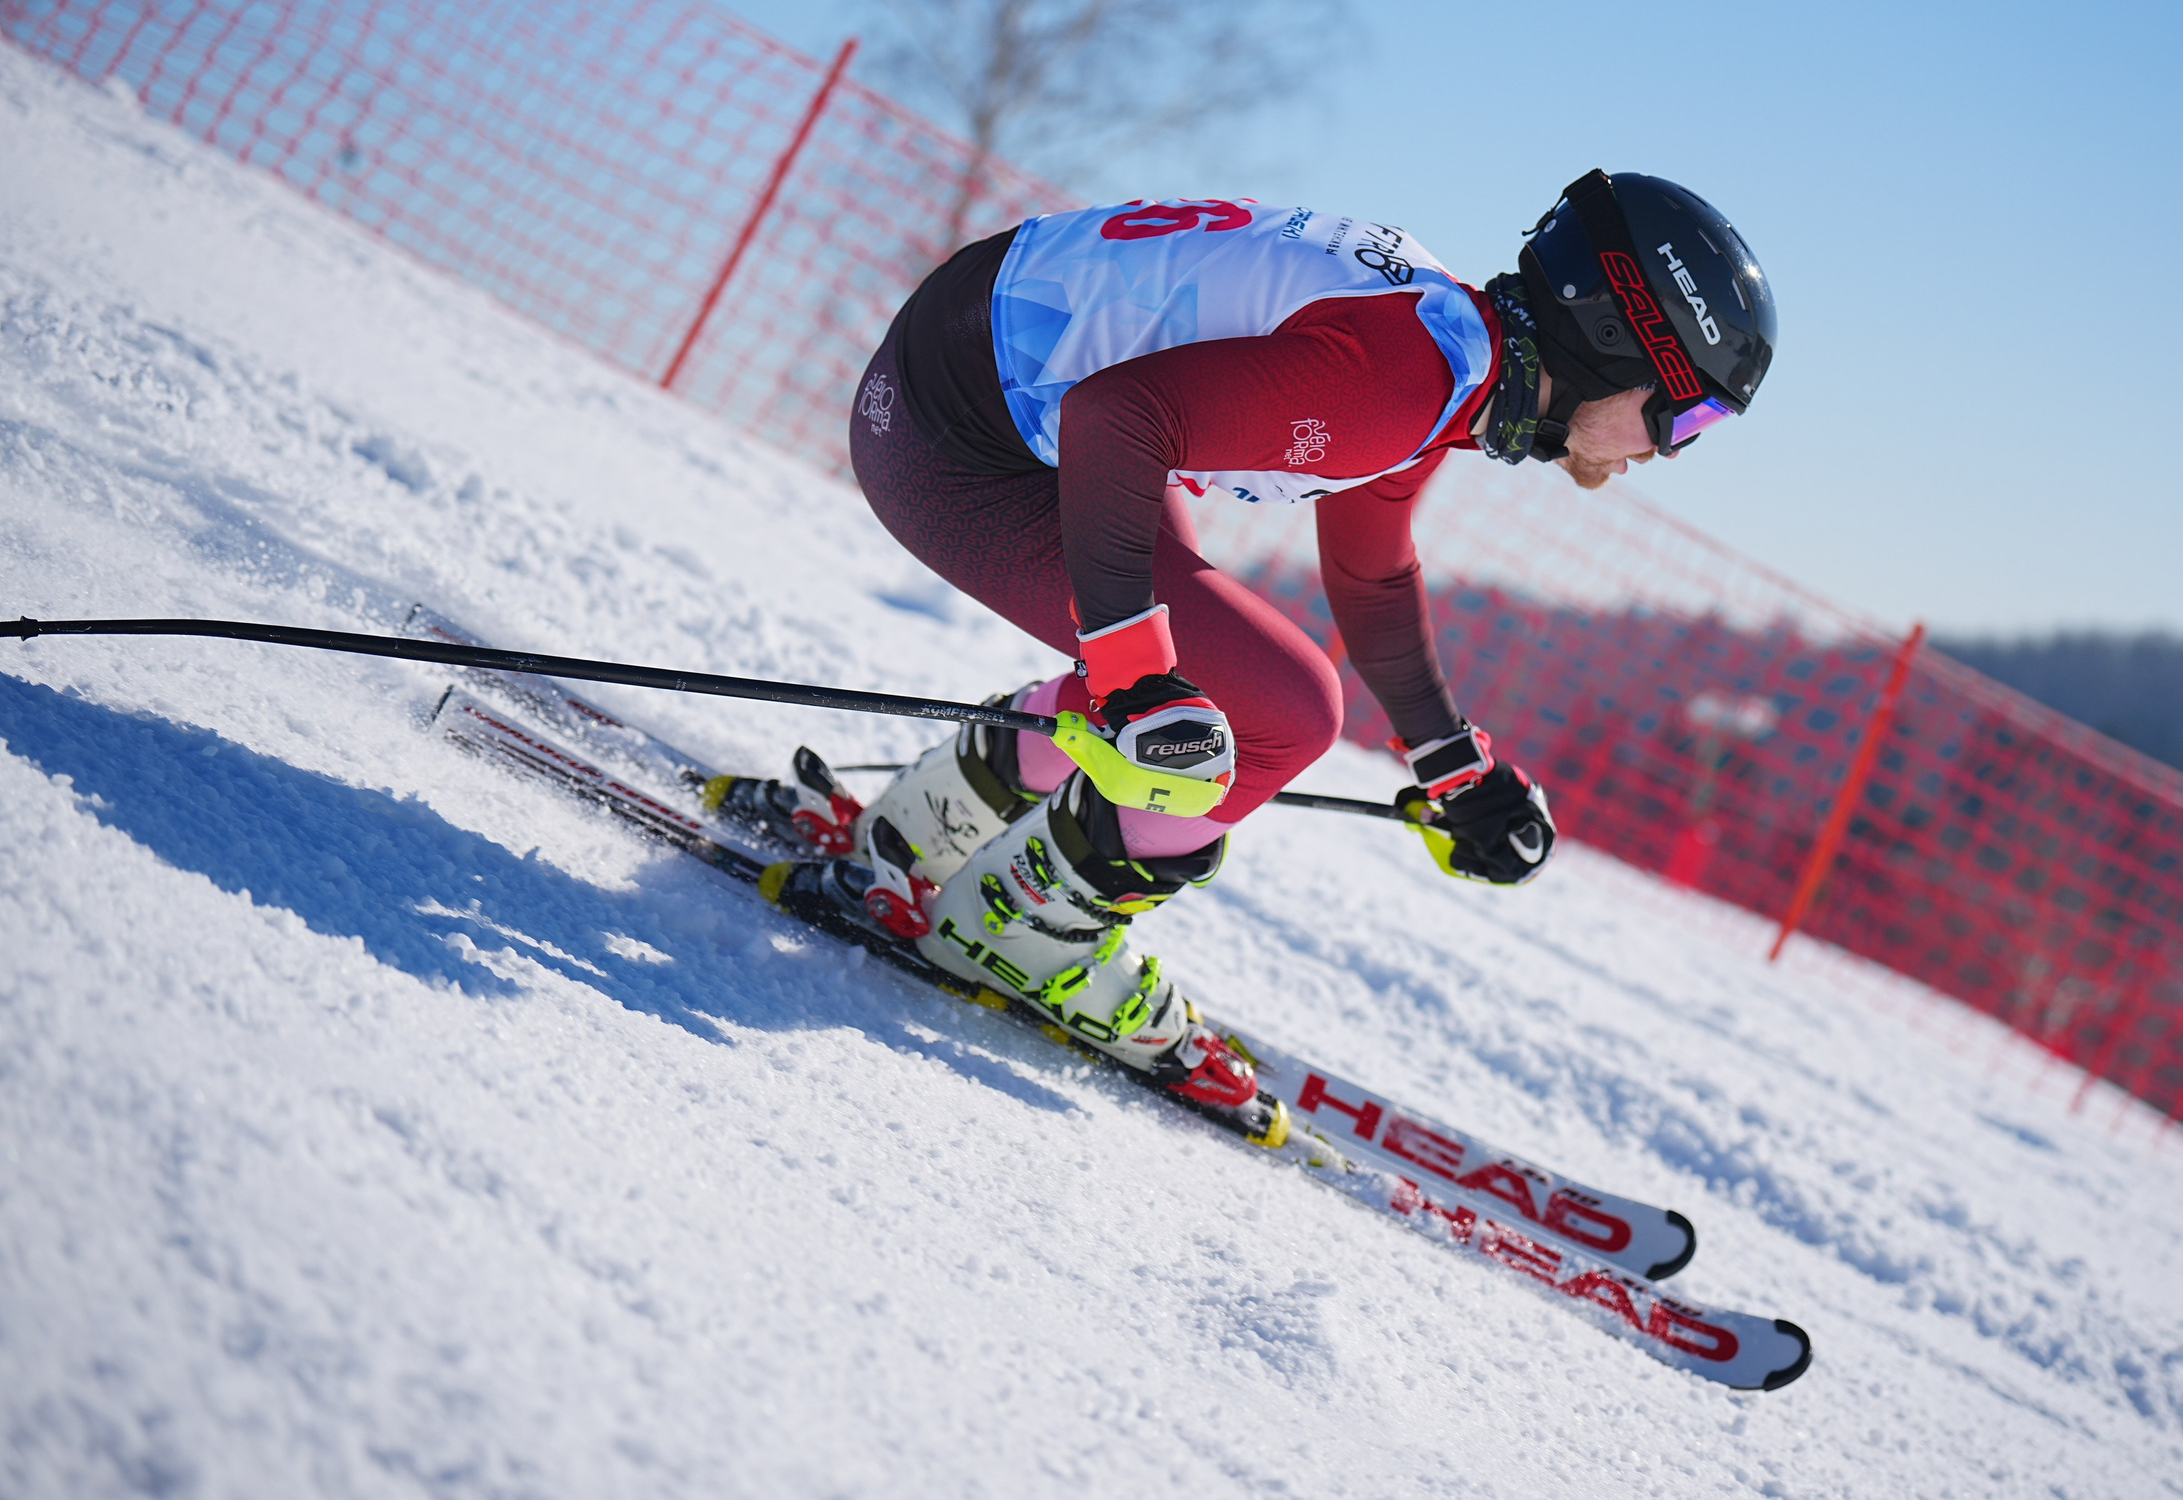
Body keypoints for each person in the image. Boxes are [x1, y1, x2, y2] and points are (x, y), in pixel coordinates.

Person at [724, 171, 1776, 1133]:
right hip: (953, 440)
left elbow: (1370, 573)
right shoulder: (1405, 379)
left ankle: (916, 835)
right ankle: (1025, 933)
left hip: (982, 397)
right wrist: (1135, 673)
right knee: (1281, 711)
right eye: (1685, 418)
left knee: (1193, 671)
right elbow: (1117, 417)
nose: (1666, 452)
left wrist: (1452, 763)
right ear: (1621, 341)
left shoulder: (1446, 351)